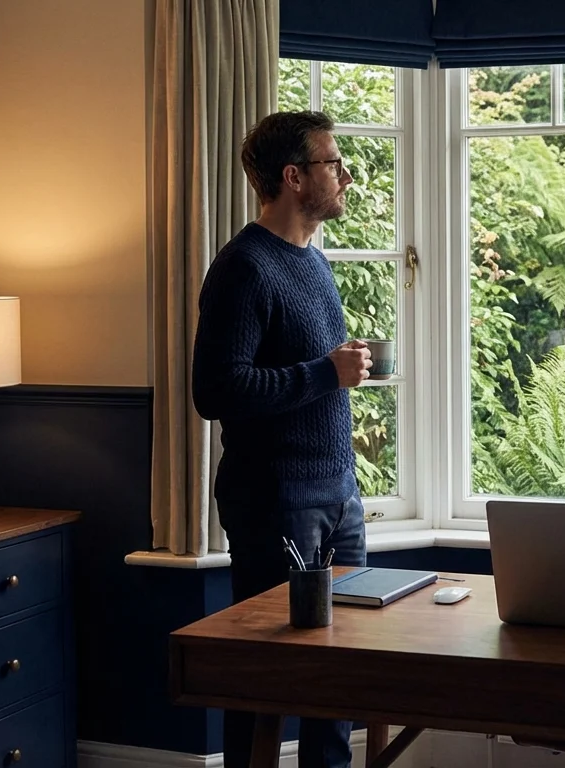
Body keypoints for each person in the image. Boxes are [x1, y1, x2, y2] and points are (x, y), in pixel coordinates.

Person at [191, 110, 369, 768]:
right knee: (266, 678)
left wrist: (331, 376)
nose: (345, 175)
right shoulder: (244, 269)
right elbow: (216, 391)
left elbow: (306, 382)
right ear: (294, 178)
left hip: (336, 499)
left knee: (337, 674)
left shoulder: (313, 263)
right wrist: (326, 372)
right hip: (276, 503)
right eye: (333, 163)